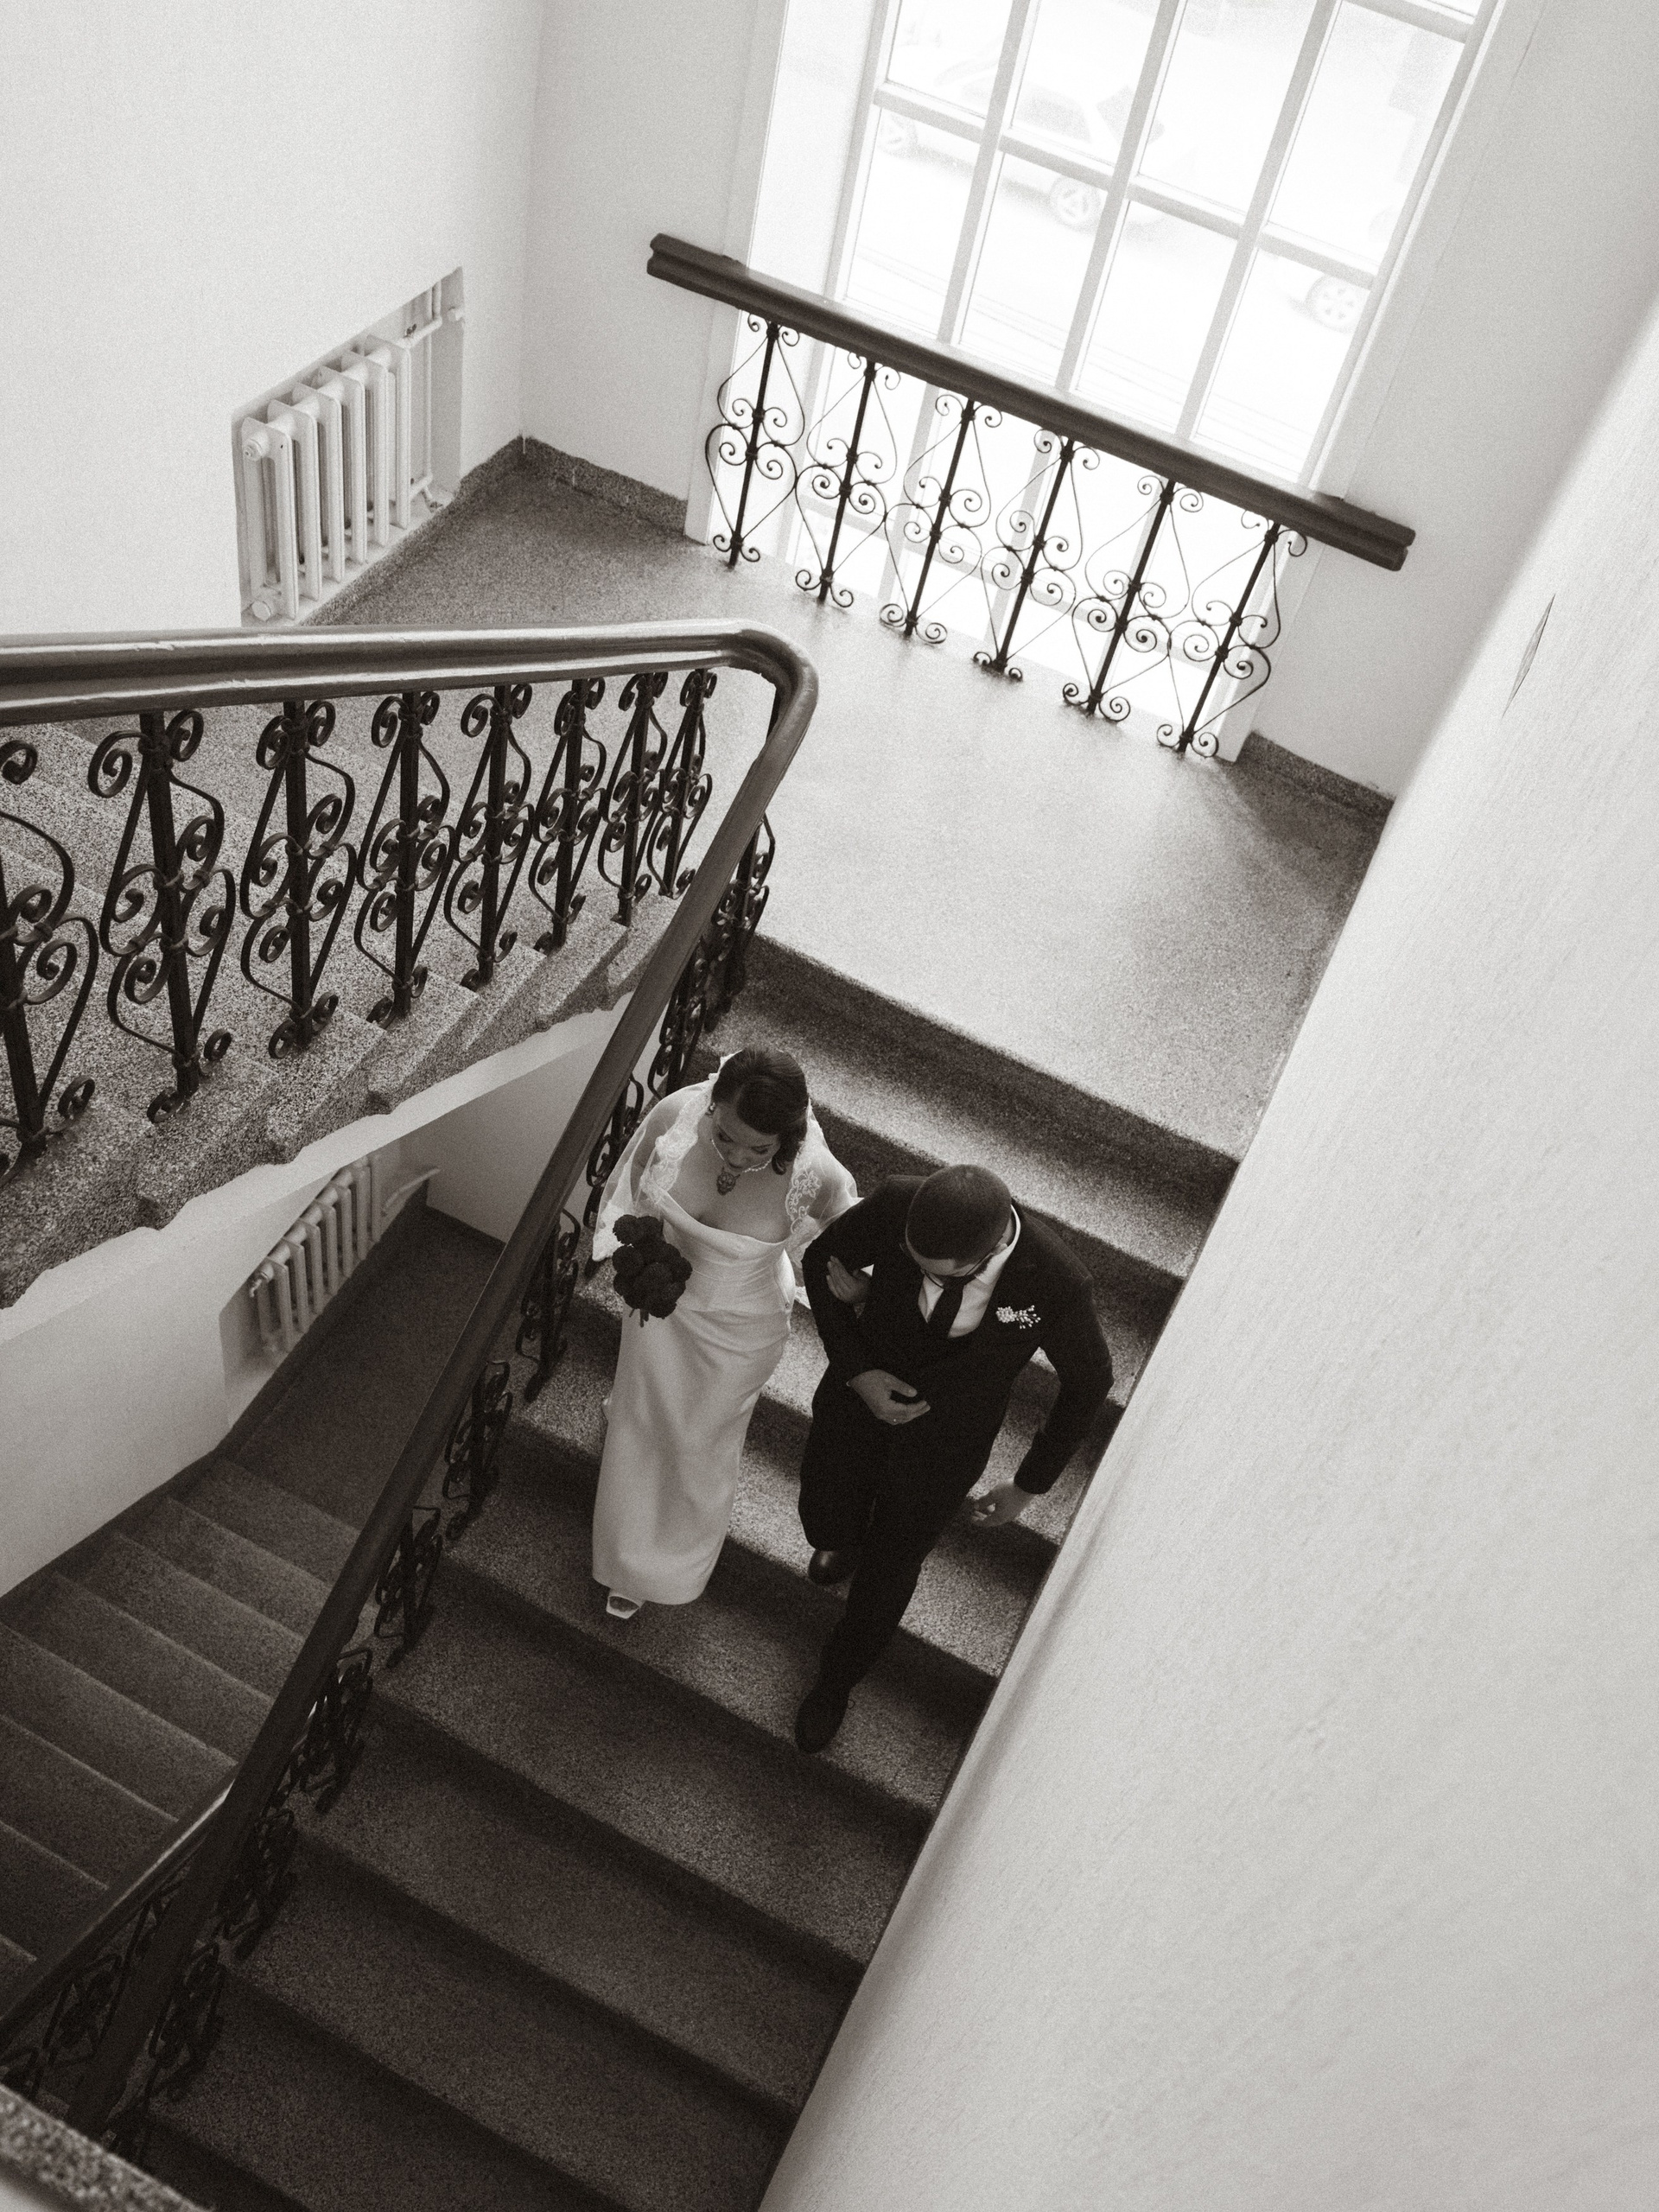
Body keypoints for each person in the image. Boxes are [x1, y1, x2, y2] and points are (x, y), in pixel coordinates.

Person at [793, 1164, 1112, 1751]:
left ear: (987, 1253)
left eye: (937, 1272)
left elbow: (1089, 1383)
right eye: (909, 1259)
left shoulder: (1055, 1280)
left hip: (945, 1445)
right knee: (824, 1512)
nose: (919, 1274)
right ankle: (842, 1541)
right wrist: (858, 1372)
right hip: (855, 1405)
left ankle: (836, 1681)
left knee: (891, 1571)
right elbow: (819, 1261)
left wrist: (1029, 1485)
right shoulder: (898, 1202)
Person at [590, 1046, 858, 1619]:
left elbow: (850, 1238)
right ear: (713, 1104)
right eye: (726, 1135)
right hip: (659, 1310)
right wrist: (643, 1254)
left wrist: (856, 1289)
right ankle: (624, 1557)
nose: (736, 1154)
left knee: (697, 1443)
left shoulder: (818, 1175)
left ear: (787, 1136)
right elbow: (635, 1184)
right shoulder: (675, 1116)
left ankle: (667, 1565)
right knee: (641, 1419)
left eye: (760, 1149)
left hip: (741, 1330)